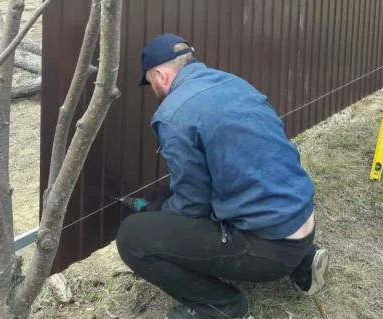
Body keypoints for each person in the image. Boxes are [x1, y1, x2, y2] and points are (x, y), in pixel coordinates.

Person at [116, 34, 329, 319]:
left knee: (133, 237)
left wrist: (160, 212)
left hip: (270, 248)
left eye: (150, 82)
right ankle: (303, 261)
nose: (153, 89)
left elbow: (193, 206)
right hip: (302, 219)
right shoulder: (233, 84)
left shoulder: (173, 114)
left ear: (160, 75)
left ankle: (221, 306)